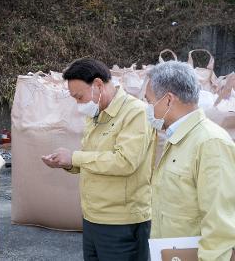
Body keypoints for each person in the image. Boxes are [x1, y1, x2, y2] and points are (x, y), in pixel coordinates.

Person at [42, 58, 155, 261]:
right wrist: (68, 162)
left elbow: (125, 161)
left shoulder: (135, 112)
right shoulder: (96, 113)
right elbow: (94, 159)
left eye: (79, 97)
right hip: (93, 217)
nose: (78, 104)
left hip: (122, 222)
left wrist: (75, 157)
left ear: (98, 85)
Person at [145, 60, 235, 261]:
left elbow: (220, 226)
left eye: (149, 101)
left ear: (168, 100)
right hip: (169, 253)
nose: (147, 108)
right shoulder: (178, 138)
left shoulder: (210, 143)